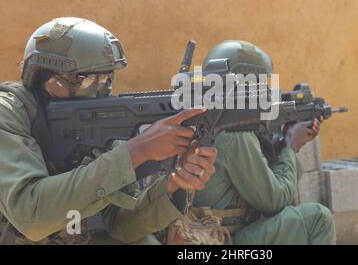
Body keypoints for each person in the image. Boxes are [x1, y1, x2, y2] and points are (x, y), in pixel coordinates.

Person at [0, 17, 217, 245]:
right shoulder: (8, 113)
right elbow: (30, 215)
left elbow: (121, 226)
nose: (98, 90)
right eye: (86, 80)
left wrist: (175, 183)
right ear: (43, 76)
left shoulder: (90, 126)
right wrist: (137, 151)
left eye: (106, 79)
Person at [193, 40, 336, 245]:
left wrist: (277, 140)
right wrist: (290, 145)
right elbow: (274, 201)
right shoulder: (234, 134)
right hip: (219, 240)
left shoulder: (206, 118)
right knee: (317, 219)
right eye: (261, 85)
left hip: (200, 235)